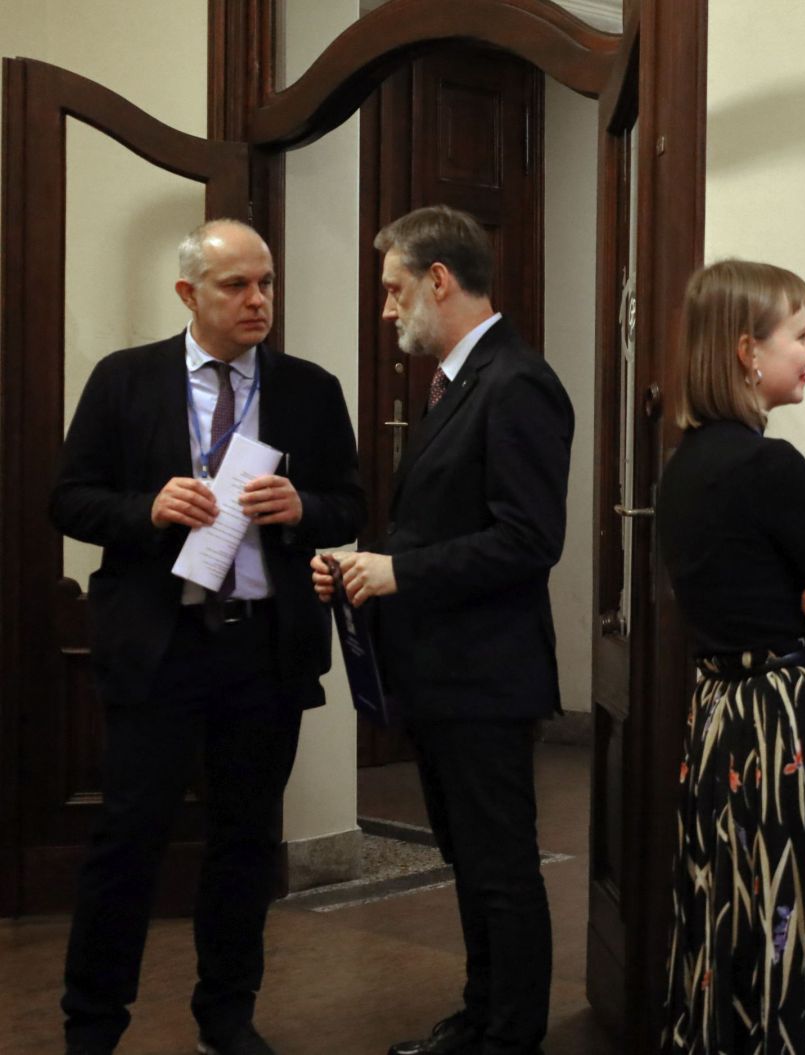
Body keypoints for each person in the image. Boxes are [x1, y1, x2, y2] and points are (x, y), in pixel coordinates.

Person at [51, 219, 364, 1055]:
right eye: (237, 285)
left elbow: (351, 502)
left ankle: (226, 1014)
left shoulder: (310, 389)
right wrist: (146, 509)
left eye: (267, 282)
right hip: (160, 645)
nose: (258, 299)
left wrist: (303, 507)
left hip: (262, 650)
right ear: (189, 293)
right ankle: (93, 1022)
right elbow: (68, 497)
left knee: (246, 841)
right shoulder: (125, 380)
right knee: (129, 838)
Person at [311, 205, 574, 1055]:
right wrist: (364, 566)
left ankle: (511, 1035)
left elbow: (529, 540)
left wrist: (400, 571)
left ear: (439, 280)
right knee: (471, 861)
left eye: (394, 289)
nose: (386, 308)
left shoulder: (517, 381)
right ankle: (479, 1014)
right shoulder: (457, 382)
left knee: (501, 869)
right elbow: (445, 523)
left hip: (487, 675)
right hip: (443, 671)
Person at [656, 260, 805, 1054]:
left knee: (736, 910)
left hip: (721, 722)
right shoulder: (770, 466)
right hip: (790, 728)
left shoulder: (682, 467)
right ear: (746, 351)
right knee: (803, 919)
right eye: (800, 334)